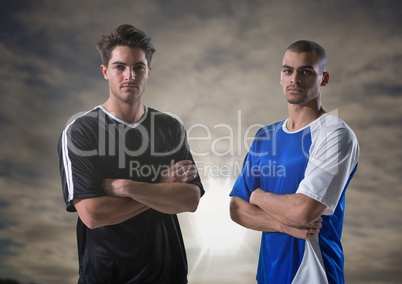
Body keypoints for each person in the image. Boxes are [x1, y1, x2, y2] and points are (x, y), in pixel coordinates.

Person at [58, 24, 204, 284]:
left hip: (168, 275)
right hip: (107, 277)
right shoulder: (81, 131)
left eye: (138, 67)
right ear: (105, 71)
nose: (130, 76)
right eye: (120, 67)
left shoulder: (170, 127)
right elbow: (93, 214)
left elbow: (189, 199)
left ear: (149, 72)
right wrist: (160, 187)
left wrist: (125, 187)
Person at [229, 40, 359, 284]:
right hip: (268, 274)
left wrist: (257, 197)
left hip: (314, 272)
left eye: (306, 71)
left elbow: (303, 212)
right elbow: (237, 209)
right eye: (288, 71)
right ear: (280, 76)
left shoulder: (334, 134)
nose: (294, 79)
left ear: (324, 78)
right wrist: (284, 226)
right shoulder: (265, 136)